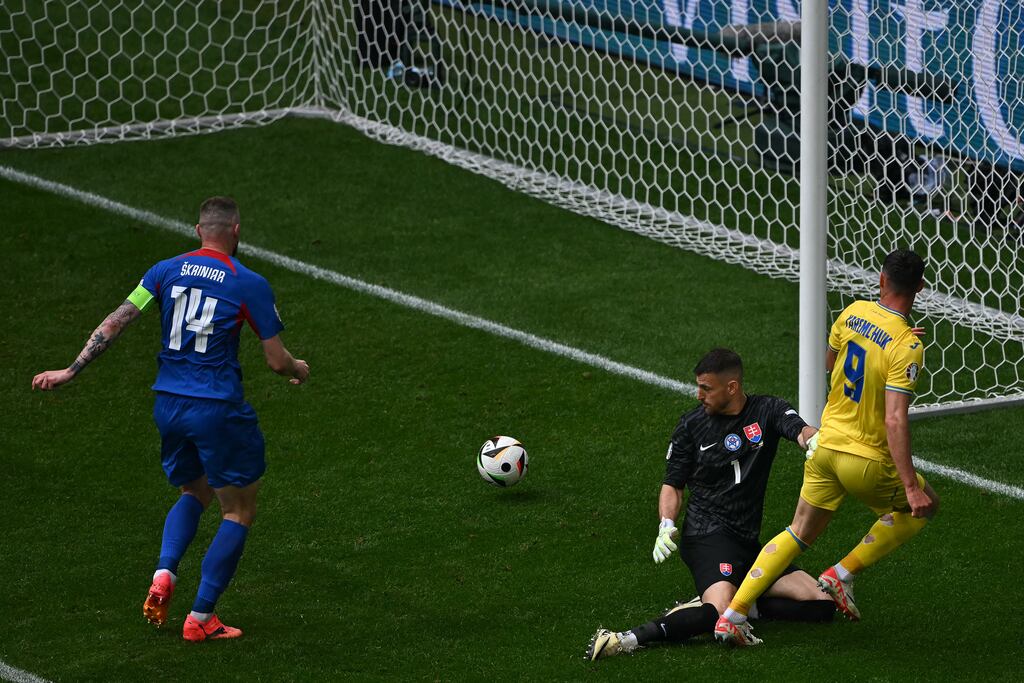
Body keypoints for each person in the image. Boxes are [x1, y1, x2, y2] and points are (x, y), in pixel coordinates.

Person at [32, 196, 309, 642]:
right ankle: (201, 618)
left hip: (169, 406)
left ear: (198, 230)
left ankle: (165, 572)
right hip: (216, 408)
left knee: (194, 490)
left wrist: (71, 368)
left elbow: (116, 321)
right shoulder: (248, 282)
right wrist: (299, 369)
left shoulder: (162, 271)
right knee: (238, 510)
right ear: (236, 231)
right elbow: (277, 362)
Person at [714, 249, 939, 647]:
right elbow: (894, 419)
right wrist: (909, 485)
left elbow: (831, 365)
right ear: (920, 287)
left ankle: (733, 615)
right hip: (865, 459)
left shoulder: (851, 313)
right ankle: (841, 574)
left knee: (798, 531)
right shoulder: (907, 346)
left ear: (881, 279)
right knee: (925, 505)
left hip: (824, 447)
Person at [586, 348, 834, 660]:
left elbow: (799, 430)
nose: (699, 395)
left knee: (821, 604)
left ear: (732, 387)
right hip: (707, 536)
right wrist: (666, 525)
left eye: (706, 388)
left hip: (746, 541)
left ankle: (741, 602)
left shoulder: (766, 409)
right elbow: (672, 483)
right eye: (698, 387)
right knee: (720, 617)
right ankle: (625, 639)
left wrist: (813, 441)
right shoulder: (691, 426)